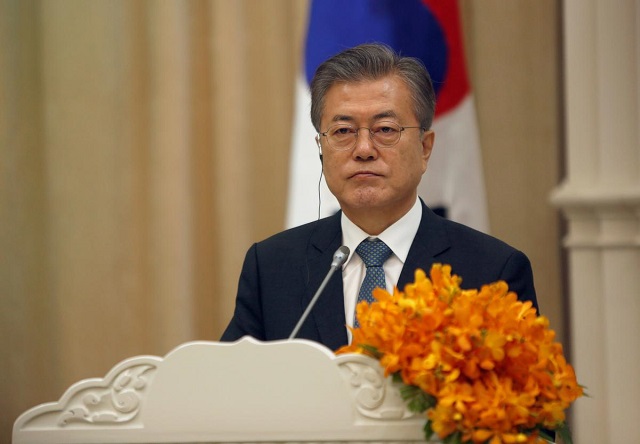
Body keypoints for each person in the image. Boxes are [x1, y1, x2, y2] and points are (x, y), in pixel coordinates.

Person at [221, 43, 537, 351]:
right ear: (321, 147)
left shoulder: (492, 272)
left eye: (385, 129)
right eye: (343, 131)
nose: (363, 150)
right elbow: (229, 390)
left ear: (425, 147)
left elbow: (524, 398)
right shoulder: (273, 267)